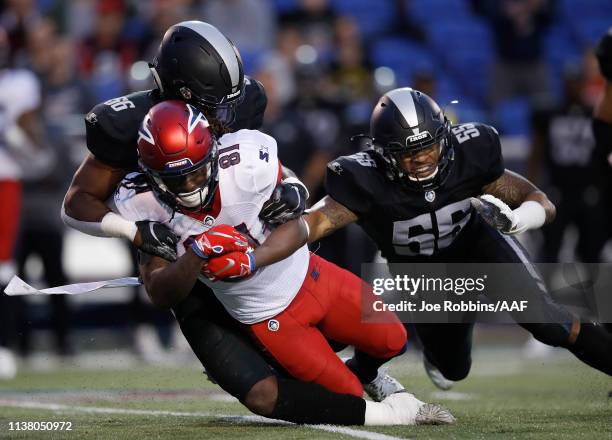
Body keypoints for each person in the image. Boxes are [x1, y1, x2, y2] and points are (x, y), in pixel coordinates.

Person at [60, 21, 450, 426]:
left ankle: (323, 361)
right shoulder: (124, 134)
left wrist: (293, 188)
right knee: (261, 387)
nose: (223, 117)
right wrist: (136, 231)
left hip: (258, 249)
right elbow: (77, 204)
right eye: (214, 106)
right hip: (175, 244)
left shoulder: (240, 115)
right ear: (181, 92)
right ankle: (272, 363)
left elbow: (262, 170)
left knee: (375, 331)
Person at [221, 87, 612, 390]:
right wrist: (258, 255)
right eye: (407, 153)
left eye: (428, 147)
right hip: (423, 274)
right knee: (453, 368)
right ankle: (400, 359)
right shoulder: (364, 179)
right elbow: (311, 224)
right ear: (383, 154)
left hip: (479, 249)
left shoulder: (470, 151)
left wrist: (517, 219)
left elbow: (540, 200)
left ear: (444, 136)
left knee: (550, 323)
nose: (421, 159)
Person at [110, 99, 454, 425]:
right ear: (151, 176)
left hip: (311, 275)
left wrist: (252, 256)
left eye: (196, 173)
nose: (188, 185)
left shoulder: (244, 159)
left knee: (393, 338)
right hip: (267, 317)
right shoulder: (141, 202)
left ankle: (366, 373)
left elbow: (296, 224)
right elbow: (158, 291)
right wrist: (197, 254)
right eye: (175, 178)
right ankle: (351, 382)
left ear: (214, 153)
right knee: (347, 396)